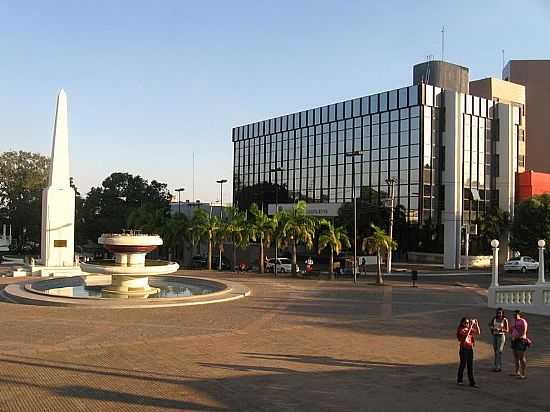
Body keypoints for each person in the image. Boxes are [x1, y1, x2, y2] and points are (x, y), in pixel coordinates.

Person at [456, 317, 481, 387]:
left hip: (470, 349)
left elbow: (478, 332)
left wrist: (476, 324)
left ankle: (472, 382)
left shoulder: (468, 328)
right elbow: (465, 336)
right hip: (463, 349)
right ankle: (459, 380)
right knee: (463, 365)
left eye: (467, 323)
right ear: (462, 323)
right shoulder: (461, 329)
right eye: (465, 323)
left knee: (470, 366)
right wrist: (471, 326)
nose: (467, 324)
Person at [510, 310, 531, 379]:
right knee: (516, 357)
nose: (515, 316)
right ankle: (517, 372)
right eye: (514, 314)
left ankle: (523, 374)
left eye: (516, 314)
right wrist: (512, 336)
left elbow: (524, 333)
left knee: (522, 357)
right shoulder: (513, 321)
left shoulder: (523, 321)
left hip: (521, 340)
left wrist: (516, 337)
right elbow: (511, 329)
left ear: (520, 315)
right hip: (514, 340)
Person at [489, 308, 509, 372]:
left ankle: (498, 367)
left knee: (499, 351)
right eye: (498, 313)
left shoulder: (505, 320)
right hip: (495, 336)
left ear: (502, 313)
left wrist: (501, 330)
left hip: (501, 336)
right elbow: (491, 326)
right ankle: (496, 365)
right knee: (495, 351)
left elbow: (507, 330)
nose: (499, 314)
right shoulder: (494, 319)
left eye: (500, 313)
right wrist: (492, 328)